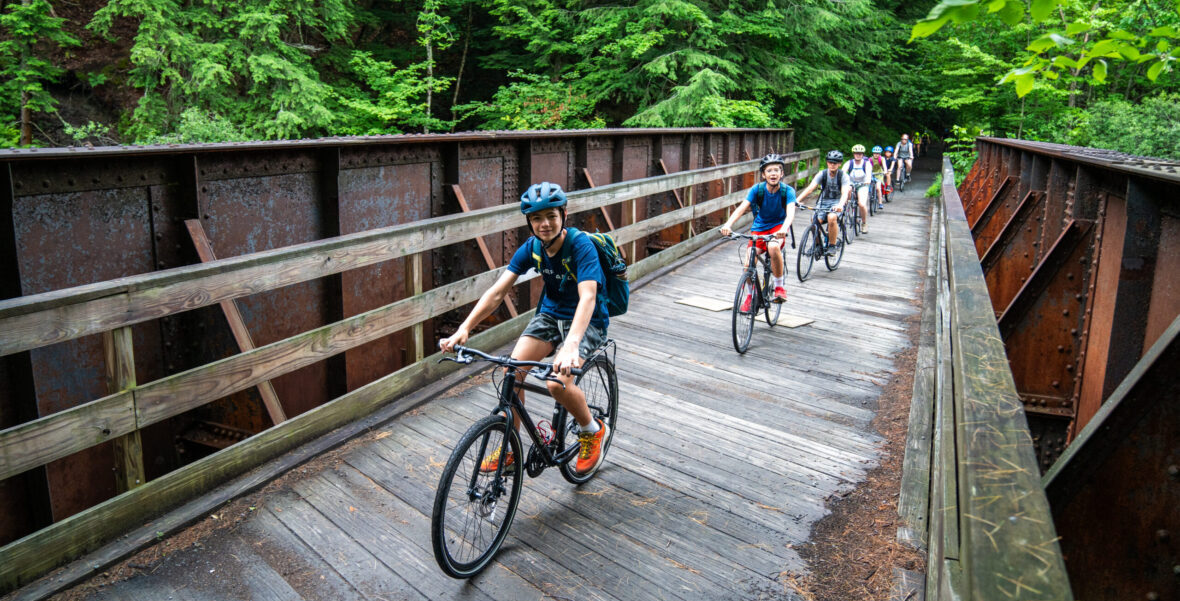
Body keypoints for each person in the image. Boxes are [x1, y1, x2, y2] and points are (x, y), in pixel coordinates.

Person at [439, 182, 609, 476]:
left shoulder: (581, 246)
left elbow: (588, 297)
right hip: (550, 314)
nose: (544, 224)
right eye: (536, 219)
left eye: (551, 216)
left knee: (557, 384)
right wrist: (464, 329)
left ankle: (592, 430)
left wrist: (570, 345)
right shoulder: (532, 248)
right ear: (529, 222)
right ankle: (510, 448)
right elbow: (497, 292)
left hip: (586, 319)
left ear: (564, 215)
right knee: (511, 370)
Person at [720, 153, 798, 303]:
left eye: (777, 170)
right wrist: (728, 225)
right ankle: (750, 296)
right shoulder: (757, 190)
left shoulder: (788, 191)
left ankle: (779, 287)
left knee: (773, 247)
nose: (773, 173)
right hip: (759, 228)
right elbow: (741, 208)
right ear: (763, 174)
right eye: (769, 171)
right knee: (748, 263)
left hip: (778, 228)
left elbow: (790, 214)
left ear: (782, 173)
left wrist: (784, 228)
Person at [796, 150, 852, 256]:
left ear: (840, 164)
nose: (832, 164)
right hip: (823, 201)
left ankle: (832, 245)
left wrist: (840, 205)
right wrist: (797, 200)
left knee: (831, 217)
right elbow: (810, 188)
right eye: (830, 162)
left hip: (837, 202)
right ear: (827, 162)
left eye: (835, 163)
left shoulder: (843, 176)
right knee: (814, 221)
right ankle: (817, 245)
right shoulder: (822, 174)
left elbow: (844, 193)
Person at [842, 145, 874, 234]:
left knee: (862, 204)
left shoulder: (866, 164)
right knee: (847, 192)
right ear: (853, 154)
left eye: (860, 154)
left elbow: (868, 175)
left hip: (863, 184)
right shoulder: (849, 163)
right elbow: (843, 173)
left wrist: (867, 181)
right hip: (851, 183)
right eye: (856, 153)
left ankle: (864, 223)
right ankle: (846, 207)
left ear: (862, 154)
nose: (858, 155)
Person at [869, 146, 889, 212]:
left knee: (878, 188)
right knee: (868, 187)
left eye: (877, 153)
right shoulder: (870, 159)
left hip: (879, 175)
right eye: (875, 153)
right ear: (873, 153)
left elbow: (884, 166)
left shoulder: (882, 159)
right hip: (872, 174)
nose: (876, 155)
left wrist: (885, 171)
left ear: (880, 154)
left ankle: (880, 203)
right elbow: (868, 167)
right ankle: (870, 197)